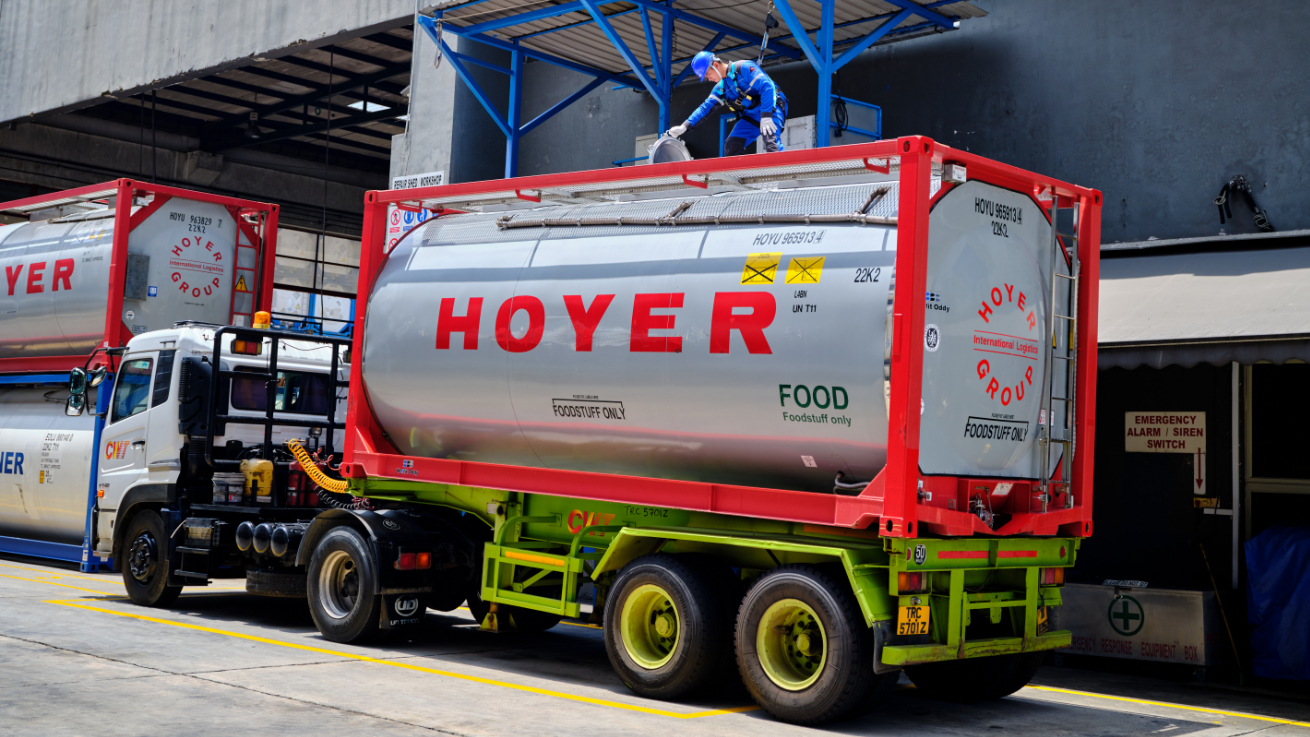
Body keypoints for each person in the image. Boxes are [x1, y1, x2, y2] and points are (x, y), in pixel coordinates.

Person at [666, 52, 788, 157]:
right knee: (732, 145)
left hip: (772, 106)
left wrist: (766, 116)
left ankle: (784, 174)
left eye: (708, 74)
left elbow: (767, 87)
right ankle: (737, 177)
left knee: (771, 141)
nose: (709, 79)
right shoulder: (721, 87)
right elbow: (704, 109)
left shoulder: (743, 67)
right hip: (752, 114)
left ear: (715, 65)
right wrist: (684, 126)